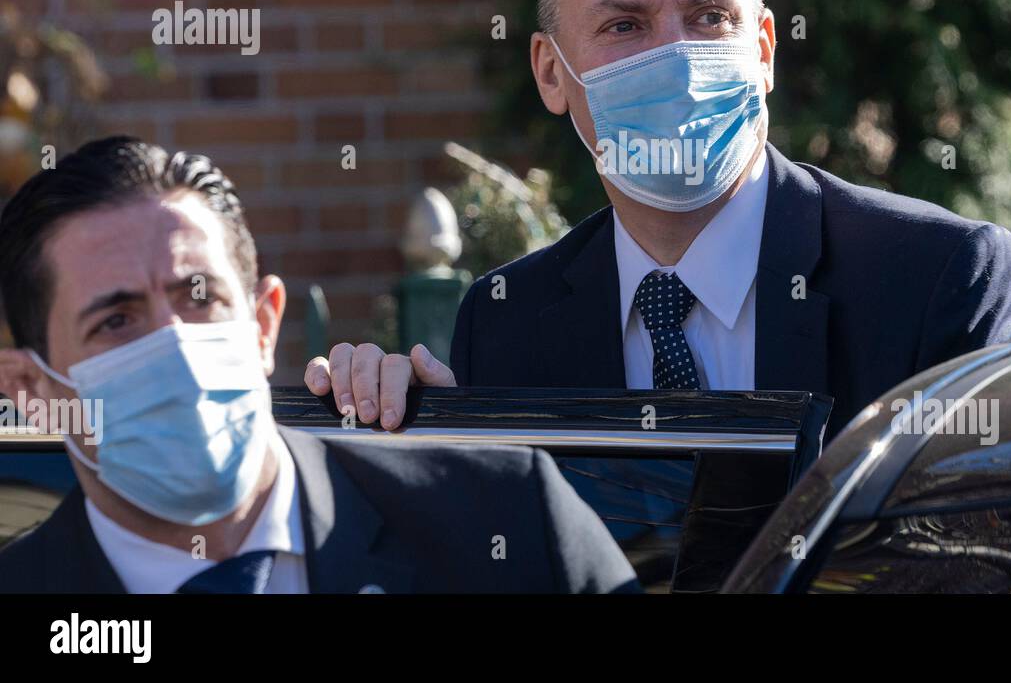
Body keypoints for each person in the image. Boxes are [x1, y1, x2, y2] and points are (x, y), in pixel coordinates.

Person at [307, 0, 1011, 440]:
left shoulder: (937, 283)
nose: (679, 59)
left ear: (763, 51)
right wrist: (419, 436)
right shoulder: (507, 326)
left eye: (709, 16)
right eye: (624, 26)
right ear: (550, 73)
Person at [0, 136, 636, 593]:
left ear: (263, 324)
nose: (176, 347)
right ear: (31, 389)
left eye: (200, 298)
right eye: (116, 322)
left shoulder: (508, 523)